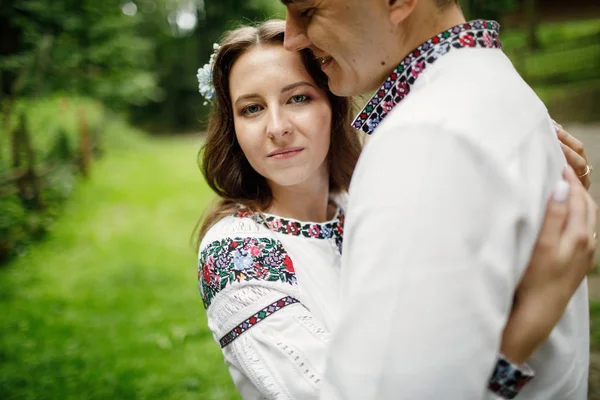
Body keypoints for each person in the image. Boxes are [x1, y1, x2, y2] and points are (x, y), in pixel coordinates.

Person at [196, 20, 596, 399]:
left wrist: (529, 168)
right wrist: (529, 325)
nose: (277, 126)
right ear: (233, 127)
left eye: (298, 97)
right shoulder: (236, 254)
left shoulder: (366, 202)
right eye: (252, 108)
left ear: (334, 108)